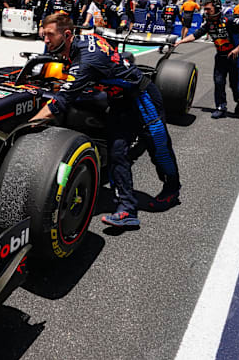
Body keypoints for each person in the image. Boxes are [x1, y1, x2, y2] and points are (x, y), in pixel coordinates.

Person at [30, 13, 181, 226]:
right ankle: (127, 209)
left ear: (66, 34)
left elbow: (59, 103)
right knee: (117, 152)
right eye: (43, 35)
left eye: (49, 35)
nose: (45, 40)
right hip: (119, 101)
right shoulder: (82, 42)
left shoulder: (85, 62)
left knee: (159, 150)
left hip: (142, 99)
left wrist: (29, 125)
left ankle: (172, 189)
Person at [175, 0, 239, 119]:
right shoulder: (208, 24)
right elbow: (195, 35)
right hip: (220, 57)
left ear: (216, 8)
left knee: (235, 86)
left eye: (208, 9)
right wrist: (181, 41)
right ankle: (221, 107)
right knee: (219, 83)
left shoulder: (230, 20)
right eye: (204, 9)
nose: (205, 11)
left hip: (235, 58)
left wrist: (238, 48)